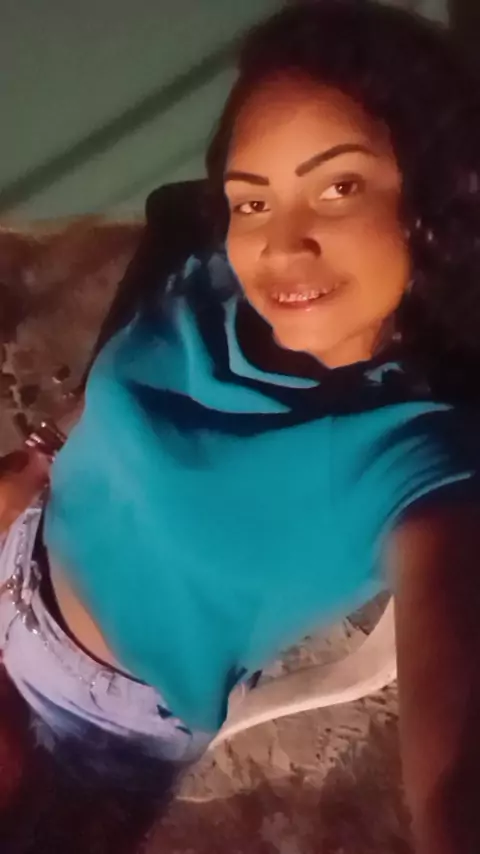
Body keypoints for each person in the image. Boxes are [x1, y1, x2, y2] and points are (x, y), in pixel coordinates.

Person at [1, 1, 480, 851]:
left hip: (89, 736)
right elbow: (125, 373)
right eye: (252, 200)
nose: (280, 246)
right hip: (14, 560)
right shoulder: (211, 269)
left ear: (436, 198)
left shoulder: (416, 456)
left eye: (338, 187)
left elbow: (454, 780)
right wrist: (37, 461)